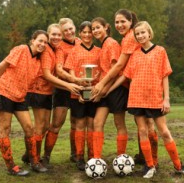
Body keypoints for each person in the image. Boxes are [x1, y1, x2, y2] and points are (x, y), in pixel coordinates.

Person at [108, 21, 184, 178]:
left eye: (143, 32)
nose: (140, 36)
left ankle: (179, 166)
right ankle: (150, 166)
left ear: (149, 33)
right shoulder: (134, 54)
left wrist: (166, 99)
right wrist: (108, 89)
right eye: (137, 34)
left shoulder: (160, 51)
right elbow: (125, 76)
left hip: (155, 98)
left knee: (164, 132)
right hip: (136, 98)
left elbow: (165, 76)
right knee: (142, 131)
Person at [92, 9, 158, 166]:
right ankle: (144, 157)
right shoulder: (126, 39)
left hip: (140, 85)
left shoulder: (129, 37)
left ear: (130, 22)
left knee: (146, 124)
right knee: (142, 124)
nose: (119, 25)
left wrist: (103, 85)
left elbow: (119, 66)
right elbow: (125, 70)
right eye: (117, 22)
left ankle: (151, 160)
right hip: (131, 84)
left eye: (123, 21)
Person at [21, 25, 82, 167]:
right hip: (38, 90)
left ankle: (30, 154)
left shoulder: (57, 49)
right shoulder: (47, 51)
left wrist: (69, 85)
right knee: (40, 126)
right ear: (48, 36)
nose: (57, 37)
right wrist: (69, 85)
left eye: (59, 35)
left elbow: (56, 73)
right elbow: (47, 75)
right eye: (54, 35)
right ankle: (33, 158)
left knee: (44, 126)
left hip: (48, 91)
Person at [0, 30, 48, 176]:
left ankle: (34, 161)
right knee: (5, 129)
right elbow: (1, 66)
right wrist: (1, 83)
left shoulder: (38, 62)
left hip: (20, 97)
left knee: (29, 128)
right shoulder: (21, 49)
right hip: (5, 93)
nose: (42, 44)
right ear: (32, 41)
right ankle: (11, 166)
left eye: (45, 42)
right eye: (40, 41)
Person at [64, 21, 101, 170]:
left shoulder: (99, 51)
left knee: (91, 124)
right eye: (84, 32)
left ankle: (92, 156)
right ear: (79, 34)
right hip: (78, 93)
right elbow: (71, 72)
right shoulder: (74, 51)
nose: (87, 35)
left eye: (89, 32)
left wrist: (96, 88)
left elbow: (102, 72)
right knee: (80, 124)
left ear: (93, 33)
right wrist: (79, 88)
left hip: (94, 93)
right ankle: (79, 157)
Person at [90, 17, 128, 159]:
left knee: (119, 123)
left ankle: (121, 158)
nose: (95, 31)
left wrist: (105, 89)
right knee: (97, 122)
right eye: (93, 29)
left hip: (115, 88)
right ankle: (97, 159)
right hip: (103, 89)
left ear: (106, 27)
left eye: (98, 27)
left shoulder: (111, 43)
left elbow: (115, 70)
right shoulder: (102, 46)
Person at [47, 18, 82, 163]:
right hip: (63, 88)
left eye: (70, 28)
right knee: (57, 124)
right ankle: (46, 156)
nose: (69, 32)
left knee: (76, 122)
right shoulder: (60, 47)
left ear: (74, 27)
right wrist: (73, 80)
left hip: (79, 88)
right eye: (65, 30)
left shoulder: (81, 42)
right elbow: (59, 71)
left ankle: (75, 154)